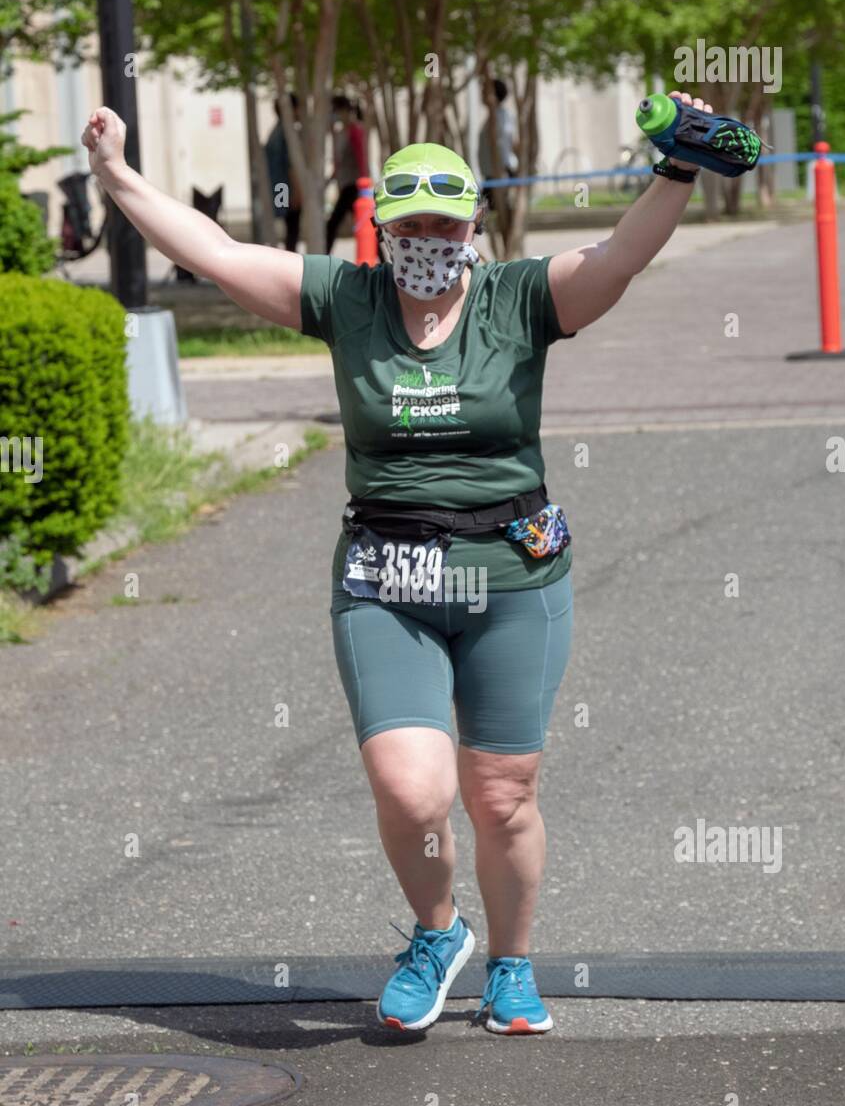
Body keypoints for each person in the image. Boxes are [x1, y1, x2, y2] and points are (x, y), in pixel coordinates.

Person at [81, 93, 712, 1036]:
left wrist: (679, 166)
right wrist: (119, 176)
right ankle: (434, 932)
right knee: (411, 788)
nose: (426, 240)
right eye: (407, 225)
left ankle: (512, 964)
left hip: (510, 573)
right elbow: (215, 251)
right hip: (389, 576)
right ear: (381, 230)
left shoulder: (520, 298)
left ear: (472, 228)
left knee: (502, 795)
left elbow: (620, 254)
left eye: (443, 225)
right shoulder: (348, 299)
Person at [325, 95, 368, 254]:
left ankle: (323, 255)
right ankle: (382, 255)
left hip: (353, 185)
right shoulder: (340, 133)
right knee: (365, 223)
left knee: (333, 224)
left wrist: (365, 182)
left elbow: (361, 157)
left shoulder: (354, 131)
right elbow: (338, 162)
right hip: (345, 184)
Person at [264, 94, 302, 252]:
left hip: (279, 187)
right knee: (291, 225)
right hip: (286, 187)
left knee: (286, 225)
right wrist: (296, 191)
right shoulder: (287, 134)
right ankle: (289, 260)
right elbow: (290, 166)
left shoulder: (275, 132)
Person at [478, 77, 518, 210]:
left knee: (486, 210)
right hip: (492, 172)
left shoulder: (502, 117)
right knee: (488, 210)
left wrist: (504, 169)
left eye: (484, 91)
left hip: (500, 172)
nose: (481, 94)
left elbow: (504, 144)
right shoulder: (494, 116)